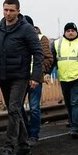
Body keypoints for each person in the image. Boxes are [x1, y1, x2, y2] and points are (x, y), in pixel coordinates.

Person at [0, 0, 43, 155]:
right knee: (15, 111)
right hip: (3, 76)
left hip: (20, 77)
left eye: (11, 10)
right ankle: (24, 147)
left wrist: (36, 76)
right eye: (5, 10)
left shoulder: (26, 29)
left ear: (18, 11)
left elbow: (38, 53)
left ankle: (9, 146)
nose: (8, 13)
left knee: (14, 109)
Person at [51, 22, 78, 138]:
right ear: (64, 32)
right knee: (68, 102)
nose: (70, 33)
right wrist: (47, 72)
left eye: (72, 31)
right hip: (63, 78)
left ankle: (75, 128)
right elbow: (51, 60)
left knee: (75, 102)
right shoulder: (57, 43)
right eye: (68, 31)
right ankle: (73, 120)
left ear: (76, 32)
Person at [22, 16, 54, 145]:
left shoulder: (41, 38)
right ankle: (26, 131)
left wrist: (39, 72)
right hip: (20, 78)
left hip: (35, 78)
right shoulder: (17, 38)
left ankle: (34, 135)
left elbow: (48, 58)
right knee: (17, 107)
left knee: (34, 107)